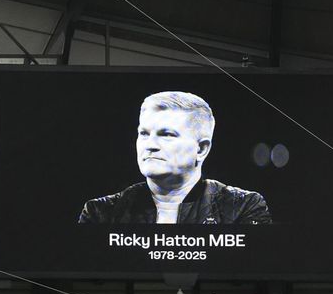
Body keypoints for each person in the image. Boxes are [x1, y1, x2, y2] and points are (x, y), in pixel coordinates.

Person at [78, 91, 271, 225]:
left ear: (201, 149)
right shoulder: (101, 212)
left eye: (167, 134)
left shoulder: (243, 206)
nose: (150, 145)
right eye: (144, 133)